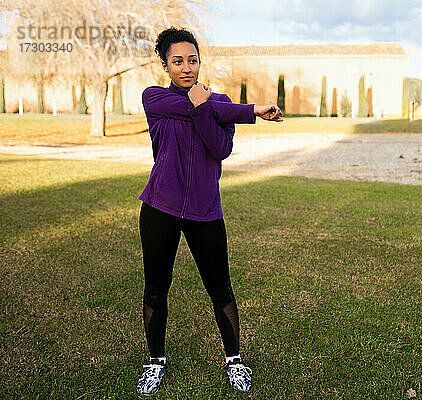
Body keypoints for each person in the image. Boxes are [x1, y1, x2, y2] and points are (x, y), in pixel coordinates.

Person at [136, 26, 283, 396]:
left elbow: (220, 149)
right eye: (177, 61)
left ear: (200, 62)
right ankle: (155, 361)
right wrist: (247, 111)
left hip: (205, 211)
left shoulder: (219, 102)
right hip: (160, 207)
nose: (186, 67)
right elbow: (192, 106)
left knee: (221, 290)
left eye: (192, 60)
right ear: (165, 66)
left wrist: (210, 108)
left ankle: (234, 360)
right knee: (156, 289)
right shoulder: (154, 98)